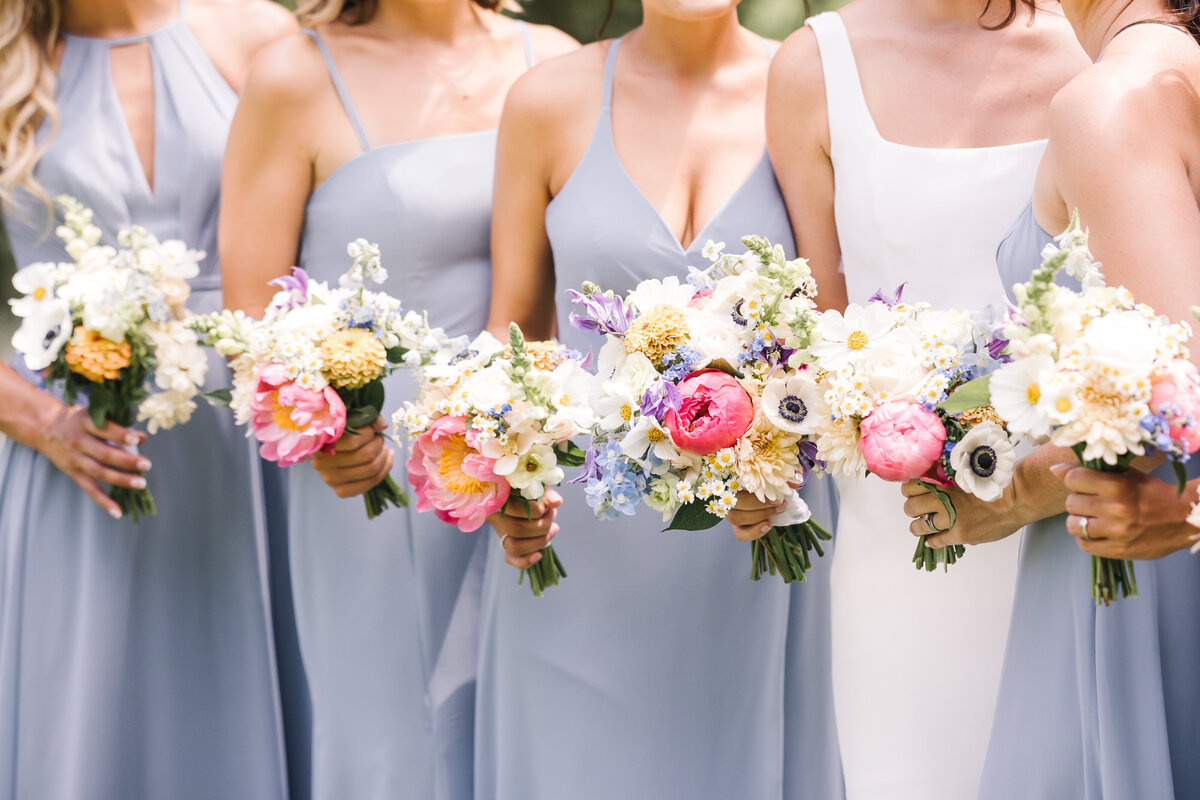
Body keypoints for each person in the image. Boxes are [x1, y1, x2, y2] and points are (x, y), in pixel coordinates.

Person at [479, 2, 842, 798]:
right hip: (581, 544)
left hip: (761, 529)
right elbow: (511, 338)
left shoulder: (814, 90)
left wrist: (778, 470)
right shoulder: (546, 100)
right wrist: (508, 479)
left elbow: (834, 329)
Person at [218, 2, 574, 798]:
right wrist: (324, 435)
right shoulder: (294, 77)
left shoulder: (551, 59)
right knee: (392, 740)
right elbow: (247, 317)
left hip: (534, 462)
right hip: (371, 477)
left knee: (535, 727)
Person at [751, 1, 1087, 797]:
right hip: (902, 532)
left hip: (1070, 512)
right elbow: (819, 340)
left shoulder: (1099, 47)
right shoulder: (811, 67)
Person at [899, 0, 1200, 795]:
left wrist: (1016, 488)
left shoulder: (1111, 102)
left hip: (1140, 585)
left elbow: (1177, 429)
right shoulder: (1169, 74)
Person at [0, 1, 296, 798]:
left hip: (253, 450)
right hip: (82, 455)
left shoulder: (258, 33)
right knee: (91, 720)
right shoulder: (8, 61)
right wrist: (42, 421)